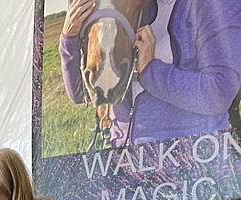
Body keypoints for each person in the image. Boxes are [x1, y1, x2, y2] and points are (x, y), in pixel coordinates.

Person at [60, 0, 241, 146]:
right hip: (125, 165)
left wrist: (151, 71)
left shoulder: (216, 5)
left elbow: (219, 93)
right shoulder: (136, 7)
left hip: (189, 165)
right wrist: (69, 39)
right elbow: (82, 94)